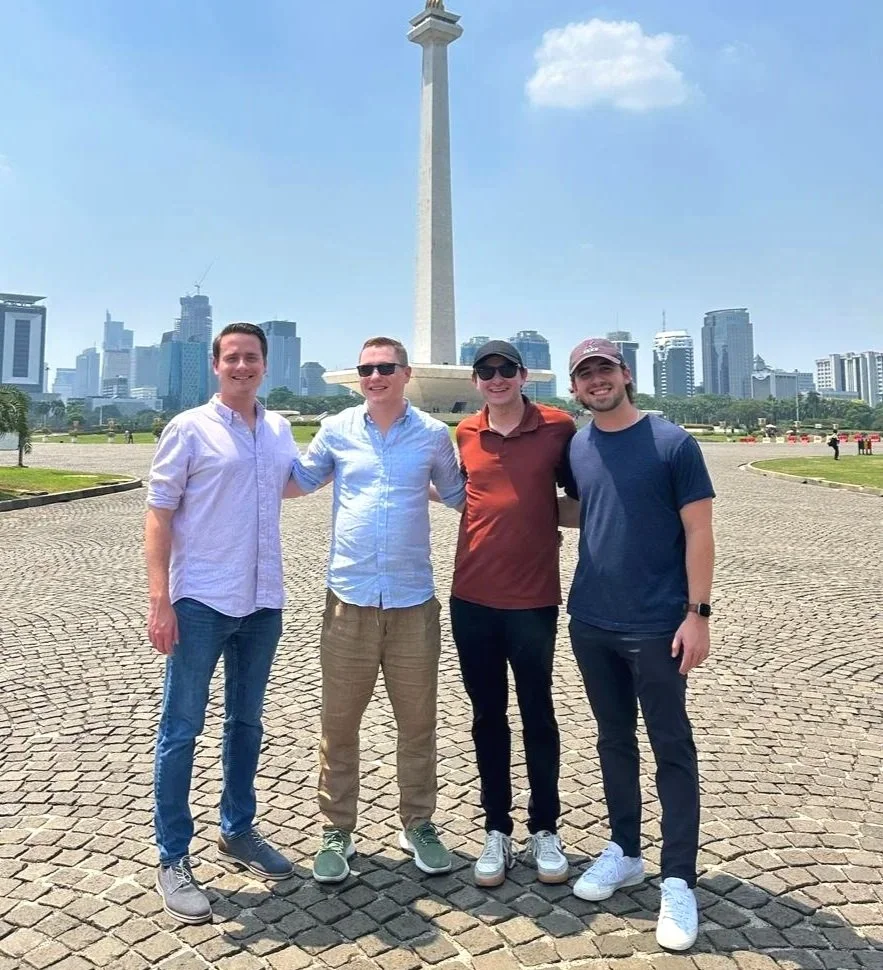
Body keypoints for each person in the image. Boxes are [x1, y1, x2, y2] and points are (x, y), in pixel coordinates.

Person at [289, 336, 466, 884]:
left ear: (405, 373)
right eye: (366, 368)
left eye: (385, 367)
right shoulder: (337, 429)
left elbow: (463, 496)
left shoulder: (434, 436)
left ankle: (418, 823)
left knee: (417, 725)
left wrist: (534, 508)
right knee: (338, 724)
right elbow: (298, 481)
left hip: (414, 602)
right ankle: (336, 828)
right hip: (349, 600)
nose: (375, 376)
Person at [558, 338, 715, 953]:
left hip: (657, 623)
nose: (597, 382)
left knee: (670, 744)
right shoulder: (578, 444)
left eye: (605, 371)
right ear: (575, 387)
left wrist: (697, 614)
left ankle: (678, 876)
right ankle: (625, 848)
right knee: (612, 738)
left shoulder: (673, 442)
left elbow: (698, 528)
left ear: (625, 375)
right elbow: (585, 509)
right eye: (585, 375)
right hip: (591, 618)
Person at [145, 322, 298, 924]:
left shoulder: (281, 428)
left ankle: (238, 828)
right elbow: (158, 514)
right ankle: (173, 855)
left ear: (266, 364)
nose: (242, 366)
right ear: (215, 365)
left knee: (247, 722)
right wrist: (160, 600)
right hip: (201, 600)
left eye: (252, 357)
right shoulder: (189, 429)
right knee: (181, 728)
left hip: (263, 600)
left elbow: (293, 484)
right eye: (231, 357)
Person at [450, 340, 575, 888]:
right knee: (486, 717)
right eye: (486, 371)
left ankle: (545, 826)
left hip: (533, 598)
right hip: (472, 597)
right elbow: (460, 493)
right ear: (475, 381)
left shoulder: (557, 427)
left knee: (538, 714)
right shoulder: (465, 433)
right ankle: (495, 827)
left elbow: (583, 493)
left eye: (505, 370)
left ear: (523, 376)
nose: (496, 378)